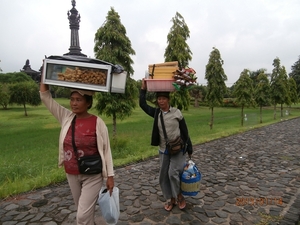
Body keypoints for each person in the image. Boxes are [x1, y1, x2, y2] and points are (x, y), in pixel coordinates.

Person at [40, 81, 114, 225]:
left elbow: (106, 150)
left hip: (92, 175)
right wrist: (44, 74)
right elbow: (45, 97)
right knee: (84, 211)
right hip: (72, 173)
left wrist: (110, 177)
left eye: (78, 100)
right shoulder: (66, 117)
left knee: (81, 216)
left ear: (88, 102)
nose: (74, 103)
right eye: (72, 99)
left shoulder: (97, 122)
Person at [139, 79, 193, 211]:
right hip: (164, 150)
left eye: (163, 98)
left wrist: (189, 146)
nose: (161, 101)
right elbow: (142, 104)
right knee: (163, 176)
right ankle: (170, 199)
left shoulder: (176, 113)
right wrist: (143, 89)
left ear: (168, 100)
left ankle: (179, 196)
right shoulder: (156, 113)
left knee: (173, 173)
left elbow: (185, 131)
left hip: (178, 148)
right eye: (159, 99)